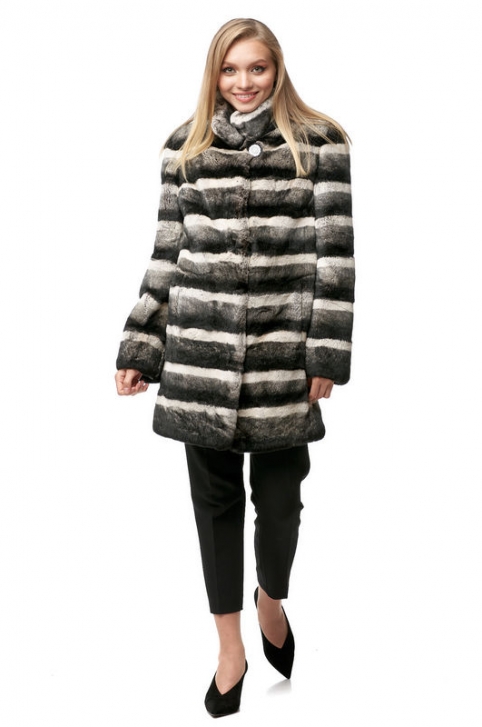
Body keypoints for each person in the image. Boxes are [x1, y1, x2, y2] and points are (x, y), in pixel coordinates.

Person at [115, 17, 354, 718]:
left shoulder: (320, 144)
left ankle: (270, 599)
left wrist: (326, 351)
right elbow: (166, 254)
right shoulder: (184, 148)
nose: (243, 82)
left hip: (282, 360)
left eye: (256, 68)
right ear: (213, 74)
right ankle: (229, 648)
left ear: (277, 69)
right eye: (229, 69)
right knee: (214, 508)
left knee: (280, 506)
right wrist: (140, 344)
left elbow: (335, 256)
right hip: (199, 360)